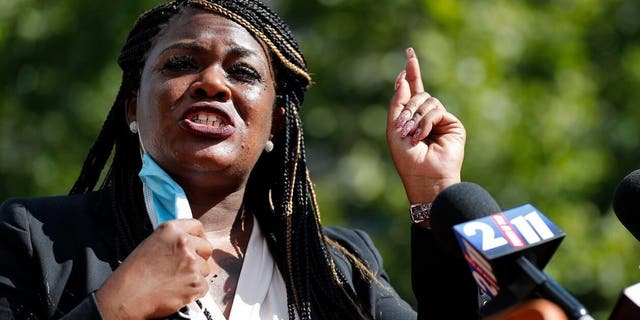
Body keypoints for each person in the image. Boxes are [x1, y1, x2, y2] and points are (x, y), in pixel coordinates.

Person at [0, 0, 474, 319]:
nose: (213, 83)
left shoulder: (340, 266)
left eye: (242, 71)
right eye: (181, 63)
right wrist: (114, 307)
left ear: (277, 124)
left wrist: (433, 192)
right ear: (131, 108)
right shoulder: (35, 237)